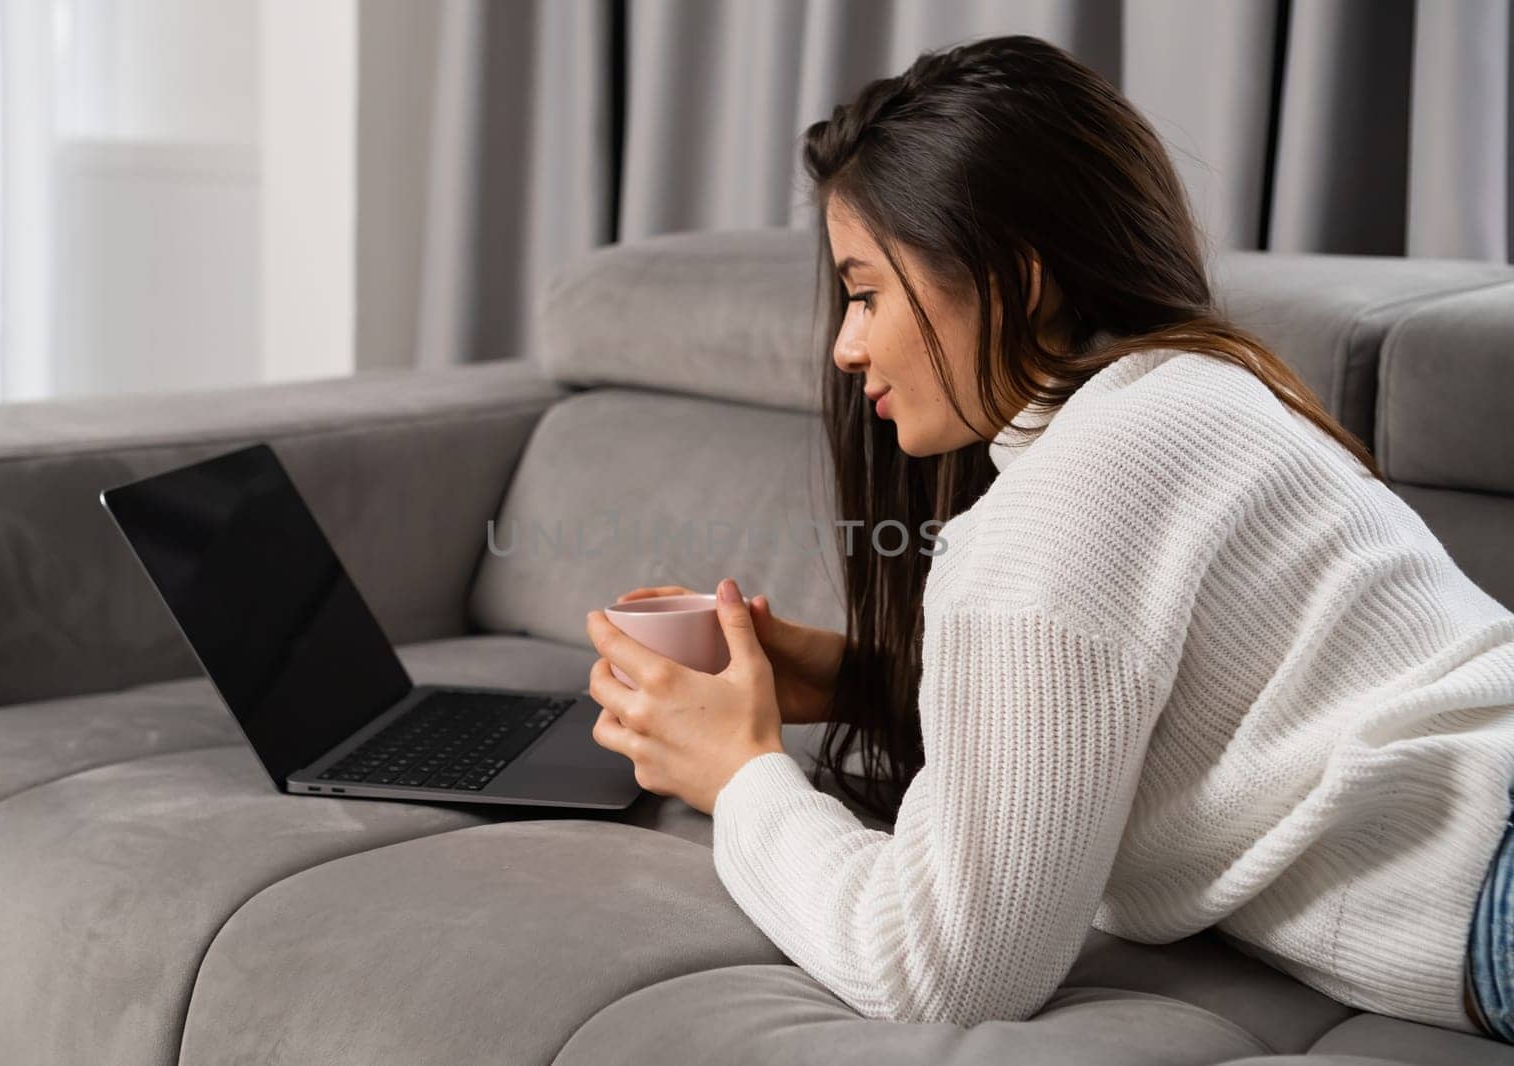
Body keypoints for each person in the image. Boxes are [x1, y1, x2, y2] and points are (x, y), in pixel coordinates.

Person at [582, 34, 1514, 1036]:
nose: (846, 348)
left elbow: (939, 973)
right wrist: (866, 681)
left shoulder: (1057, 504)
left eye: (865, 292)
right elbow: (1163, 717)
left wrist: (738, 773)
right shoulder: (1194, 389)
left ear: (1016, 280)